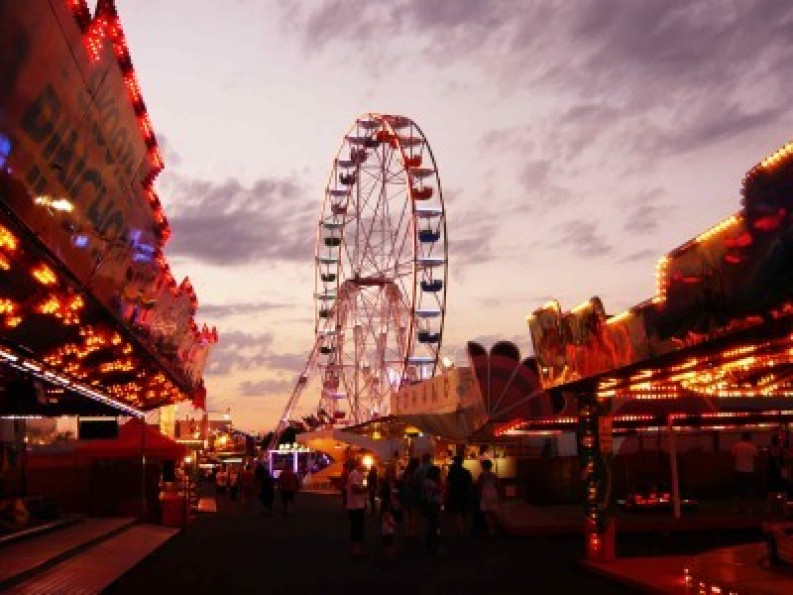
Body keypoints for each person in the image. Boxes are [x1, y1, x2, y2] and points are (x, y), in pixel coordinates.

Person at [444, 455, 474, 538]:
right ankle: (462, 529)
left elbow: (448, 484)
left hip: (455, 492)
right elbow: (470, 483)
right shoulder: (466, 471)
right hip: (464, 492)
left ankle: (460, 530)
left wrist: (447, 494)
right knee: (463, 511)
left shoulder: (452, 472)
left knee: (457, 512)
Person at [731, 432, 758, 514]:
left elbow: (732, 457)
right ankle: (749, 508)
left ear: (742, 437)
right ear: (749, 437)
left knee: (737, 489)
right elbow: (756, 457)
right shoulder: (752, 446)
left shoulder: (736, 446)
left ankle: (736, 507)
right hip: (749, 470)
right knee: (749, 489)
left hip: (738, 469)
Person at [346, 459, 368, 557]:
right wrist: (367, 489)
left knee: (358, 527)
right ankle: (356, 548)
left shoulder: (359, 474)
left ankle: (356, 547)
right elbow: (355, 489)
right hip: (356, 505)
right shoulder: (355, 474)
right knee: (357, 527)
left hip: (358, 504)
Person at [422, 464, 444, 553]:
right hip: (434, 505)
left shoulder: (426, 481)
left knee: (431, 525)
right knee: (435, 526)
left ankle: (430, 544)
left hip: (431, 504)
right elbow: (438, 490)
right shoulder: (431, 483)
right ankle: (435, 546)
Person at [766, 434, 788, 516]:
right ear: (778, 441)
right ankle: (785, 510)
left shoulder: (770, 450)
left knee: (771, 492)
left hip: (772, 472)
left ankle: (769, 510)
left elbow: (767, 461)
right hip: (781, 472)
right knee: (783, 492)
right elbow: (786, 459)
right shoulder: (782, 450)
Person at [478, 459, 499, 536]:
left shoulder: (482, 475)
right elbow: (497, 485)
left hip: (485, 493)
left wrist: (478, 494)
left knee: (486, 511)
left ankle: (491, 529)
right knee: (493, 511)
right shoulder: (494, 475)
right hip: (493, 492)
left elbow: (479, 485)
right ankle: (492, 528)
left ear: (483, 466)